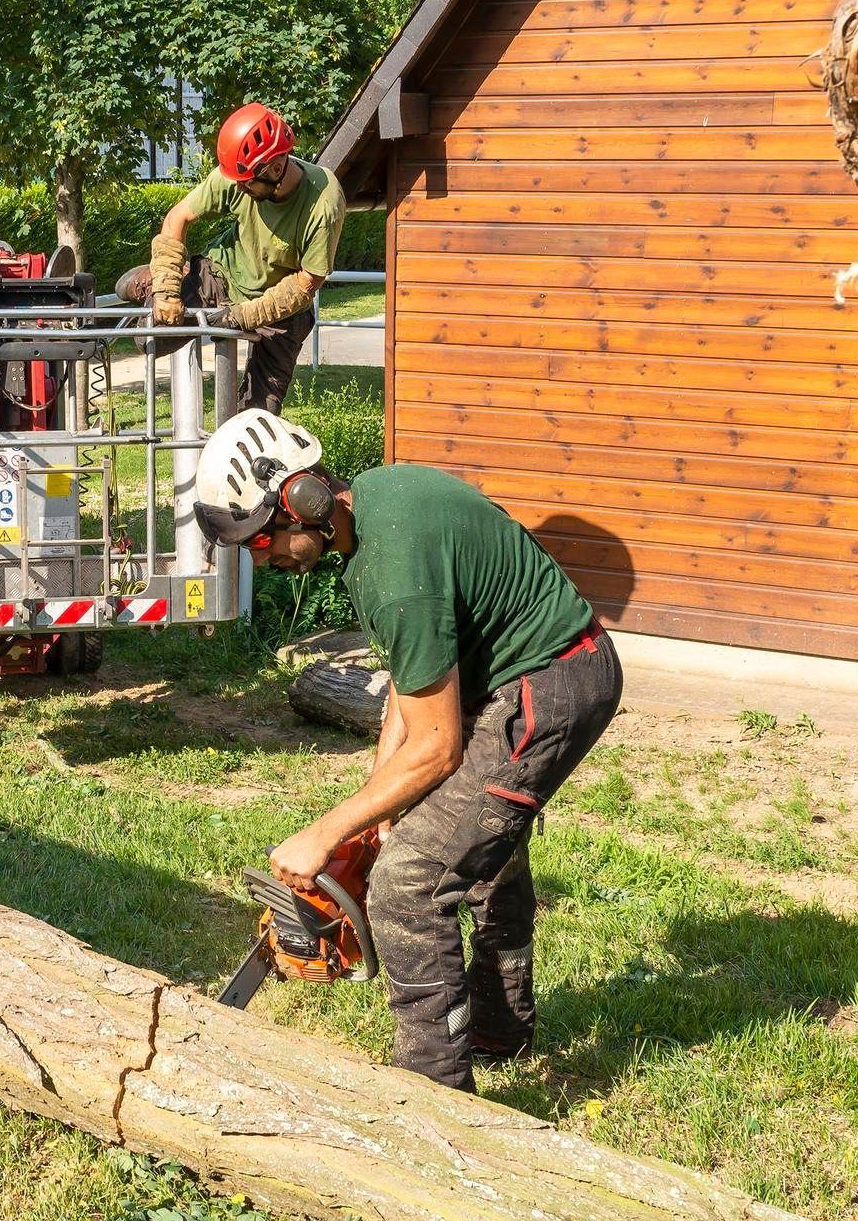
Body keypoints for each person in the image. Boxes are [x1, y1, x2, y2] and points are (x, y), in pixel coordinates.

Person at [192, 409, 623, 1091]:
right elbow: (412, 681)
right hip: (531, 672)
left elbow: (437, 745)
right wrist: (378, 804)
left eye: (260, 536)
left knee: (406, 886)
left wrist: (325, 832)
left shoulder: (390, 569)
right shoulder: (379, 503)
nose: (259, 556)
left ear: (300, 498)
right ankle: (498, 1028)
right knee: (478, 843)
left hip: (551, 686)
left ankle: (433, 1095)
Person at [115, 102, 345, 415]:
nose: (236, 188)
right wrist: (167, 291)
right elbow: (178, 218)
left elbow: (307, 283)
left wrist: (242, 316)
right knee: (149, 339)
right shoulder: (241, 172)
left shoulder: (324, 203)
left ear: (274, 170)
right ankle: (153, 280)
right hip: (222, 275)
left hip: (282, 311)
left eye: (245, 183)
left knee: (255, 418)